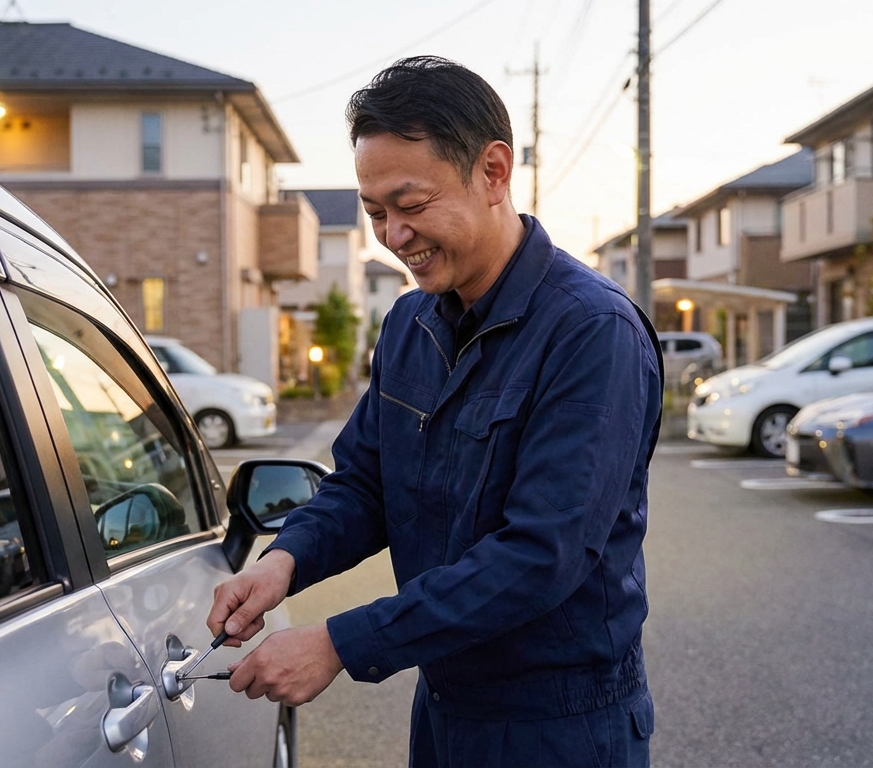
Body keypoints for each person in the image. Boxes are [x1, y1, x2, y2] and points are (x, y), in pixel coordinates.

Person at [206, 56, 662, 767]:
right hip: (446, 703)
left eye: (411, 205)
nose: (393, 236)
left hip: (560, 725)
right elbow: (364, 484)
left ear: (494, 172)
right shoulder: (408, 324)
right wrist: (285, 561)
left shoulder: (591, 331)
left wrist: (339, 643)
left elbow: (542, 555)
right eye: (374, 213)